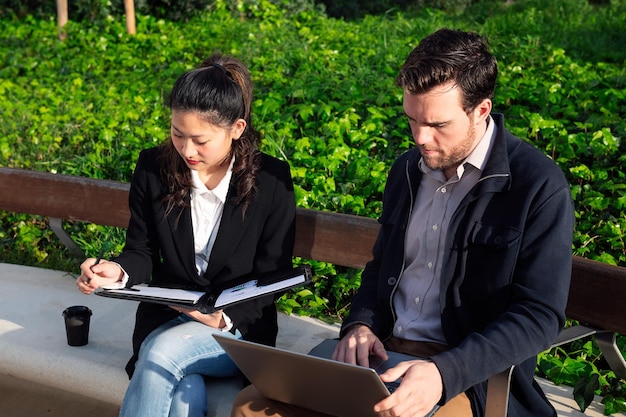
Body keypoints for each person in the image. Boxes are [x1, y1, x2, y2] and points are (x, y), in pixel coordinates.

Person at [231, 28, 574, 417]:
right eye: (412, 119)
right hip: (383, 354)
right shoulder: (407, 171)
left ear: (481, 109)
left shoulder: (537, 185)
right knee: (251, 407)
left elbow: (538, 315)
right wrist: (360, 325)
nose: (420, 138)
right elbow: (381, 269)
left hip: (469, 374)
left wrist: (444, 372)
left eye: (438, 125)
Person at [76, 54, 296, 417]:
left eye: (200, 140)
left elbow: (274, 274)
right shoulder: (153, 167)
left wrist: (223, 317)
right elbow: (141, 251)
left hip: (238, 329)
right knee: (183, 394)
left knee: (162, 354)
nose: (187, 150)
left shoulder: (271, 181)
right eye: (177, 134)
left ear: (237, 128)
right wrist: (116, 270)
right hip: (166, 317)